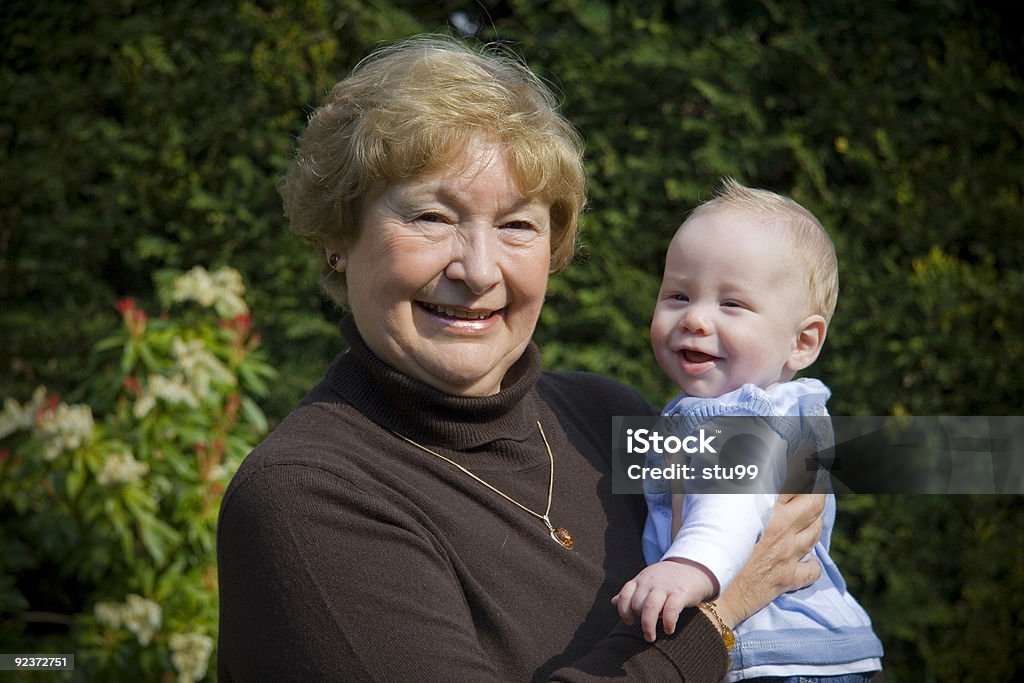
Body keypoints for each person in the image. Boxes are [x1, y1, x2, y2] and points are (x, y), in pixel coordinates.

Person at [216, 36, 829, 682]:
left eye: (516, 225)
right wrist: (721, 613)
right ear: (342, 234)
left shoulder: (604, 416)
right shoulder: (306, 495)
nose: (479, 270)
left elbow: (818, 464)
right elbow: (751, 566)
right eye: (431, 215)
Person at [614, 179, 884, 681]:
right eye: (677, 294)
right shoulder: (791, 406)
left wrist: (688, 568)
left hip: (776, 661)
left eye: (731, 304)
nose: (695, 318)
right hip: (818, 650)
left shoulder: (742, 413)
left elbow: (732, 502)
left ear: (802, 342)